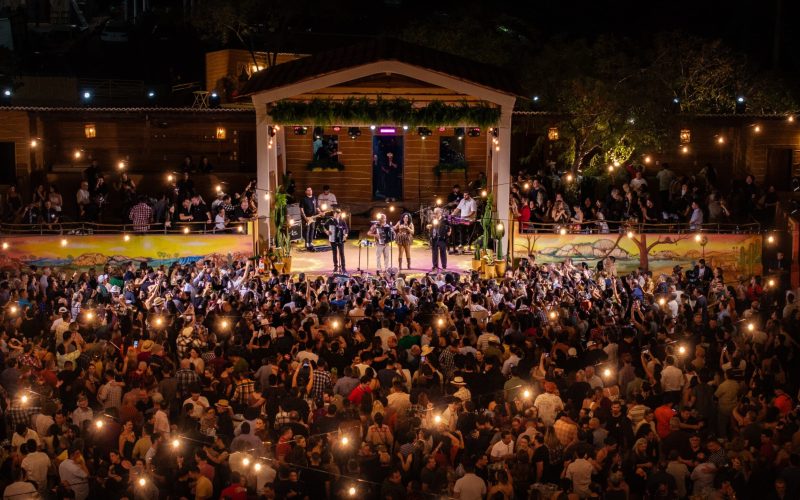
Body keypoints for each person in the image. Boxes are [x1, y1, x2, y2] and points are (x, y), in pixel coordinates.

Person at [429, 207, 451, 271]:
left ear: (440, 213)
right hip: (434, 239)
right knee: (434, 253)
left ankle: (444, 267)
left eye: (436, 213)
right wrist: (429, 227)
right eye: (434, 213)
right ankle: (435, 266)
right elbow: (430, 226)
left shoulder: (444, 220)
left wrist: (449, 232)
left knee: (443, 253)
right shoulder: (433, 220)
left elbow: (449, 226)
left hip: (442, 239)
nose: (435, 214)